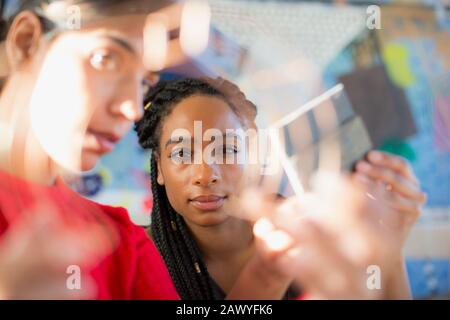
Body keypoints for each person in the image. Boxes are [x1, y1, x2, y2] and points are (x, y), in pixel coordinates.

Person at [135, 77, 427, 300]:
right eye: (182, 154)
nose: (204, 174)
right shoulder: (134, 259)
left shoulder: (315, 237)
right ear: (159, 168)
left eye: (227, 150)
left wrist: (388, 247)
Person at [0, 0, 182, 299]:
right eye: (106, 58)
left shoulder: (121, 242)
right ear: (26, 43)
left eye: (144, 84)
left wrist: (268, 273)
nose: (132, 108)